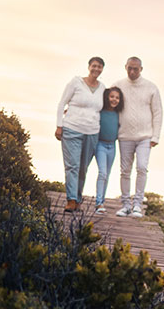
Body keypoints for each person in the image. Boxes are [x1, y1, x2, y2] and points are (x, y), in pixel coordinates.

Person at [56, 56, 106, 212]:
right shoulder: (76, 82)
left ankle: (78, 198)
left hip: (92, 132)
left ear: (102, 69)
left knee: (83, 167)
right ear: (89, 66)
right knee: (73, 166)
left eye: (99, 67)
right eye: (94, 66)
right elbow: (61, 103)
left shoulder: (103, 88)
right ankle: (71, 199)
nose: (96, 69)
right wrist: (59, 125)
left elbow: (106, 108)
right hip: (72, 128)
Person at [114, 56, 163, 218]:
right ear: (125, 67)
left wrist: (155, 136)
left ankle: (137, 205)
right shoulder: (118, 86)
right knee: (125, 171)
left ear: (141, 69)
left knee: (142, 167)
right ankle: (126, 205)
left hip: (145, 137)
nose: (132, 71)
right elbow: (105, 104)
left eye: (135, 68)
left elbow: (158, 113)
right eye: (129, 68)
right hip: (124, 136)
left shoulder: (151, 88)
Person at [94, 86, 123, 214]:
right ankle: (99, 203)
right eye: (112, 97)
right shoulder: (100, 111)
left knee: (107, 175)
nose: (114, 99)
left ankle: (102, 201)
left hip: (112, 146)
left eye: (117, 97)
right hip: (100, 145)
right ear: (107, 97)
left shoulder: (119, 114)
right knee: (102, 173)